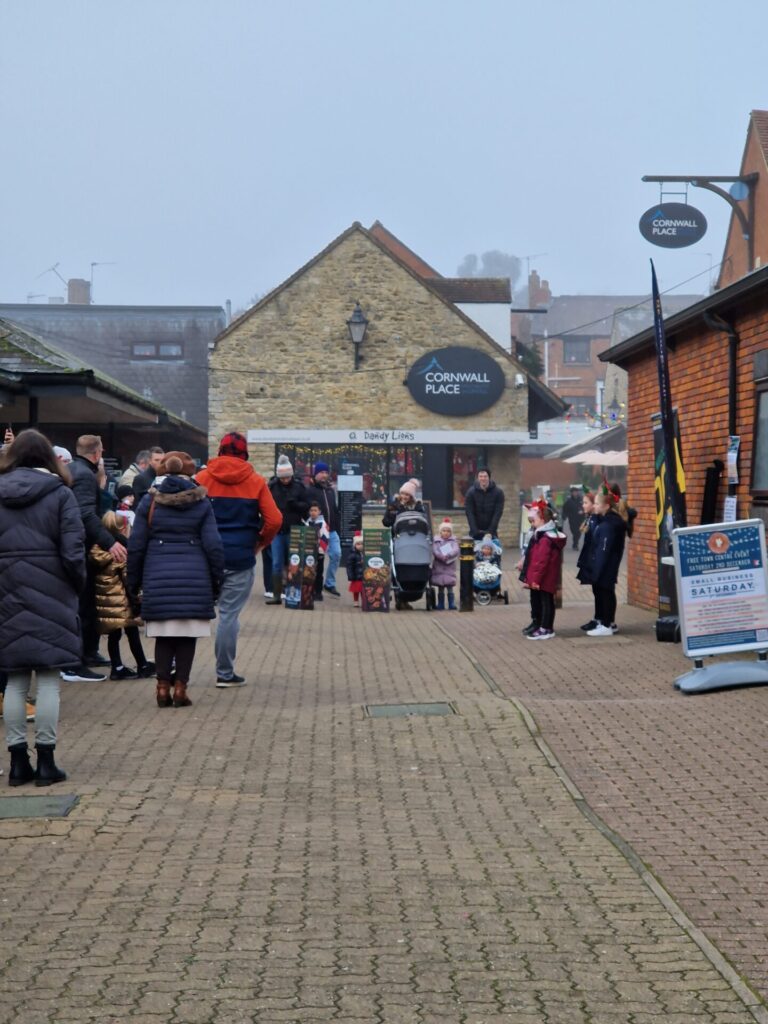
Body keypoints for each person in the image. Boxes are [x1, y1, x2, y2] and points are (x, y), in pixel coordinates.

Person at [0, 429, 86, 786]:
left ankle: (18, 762)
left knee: (16, 680)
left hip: (6, 593)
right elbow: (73, 550)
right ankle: (47, 762)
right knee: (49, 678)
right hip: (52, 591)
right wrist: (76, 585)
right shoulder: (61, 495)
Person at [127, 451, 225, 708]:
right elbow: (214, 545)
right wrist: (217, 579)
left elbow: (136, 546)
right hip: (195, 577)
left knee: (163, 635)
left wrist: (133, 582)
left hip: (157, 576)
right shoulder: (202, 502)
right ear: (190, 473)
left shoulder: (149, 502)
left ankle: (161, 688)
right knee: (186, 636)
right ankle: (180, 689)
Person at [195, 432, 282, 686]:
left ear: (221, 451)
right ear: (245, 454)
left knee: (192, 613)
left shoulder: (201, 478)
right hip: (240, 557)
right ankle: (224, 673)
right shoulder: (256, 482)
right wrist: (260, 542)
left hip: (205, 558)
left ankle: (177, 670)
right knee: (229, 616)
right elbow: (275, 520)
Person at [67, 434, 127, 682]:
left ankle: (89, 652)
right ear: (97, 453)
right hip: (80, 547)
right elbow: (85, 513)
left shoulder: (76, 470)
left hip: (79, 547)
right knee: (83, 605)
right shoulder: (82, 474)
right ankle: (76, 661)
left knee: (89, 602)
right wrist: (110, 542)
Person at [91, 510, 155, 680]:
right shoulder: (121, 553)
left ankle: (117, 666)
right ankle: (142, 665)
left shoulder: (96, 551)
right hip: (123, 601)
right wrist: (137, 600)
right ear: (122, 529)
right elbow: (128, 580)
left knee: (114, 634)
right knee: (132, 632)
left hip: (107, 601)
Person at [518, 501, 566, 641]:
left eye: (534, 520)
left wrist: (535, 579)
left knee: (546, 601)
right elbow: (533, 557)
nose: (532, 524)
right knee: (538, 600)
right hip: (540, 576)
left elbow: (541, 561)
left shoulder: (545, 538)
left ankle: (546, 628)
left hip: (544, 577)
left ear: (543, 519)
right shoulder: (540, 535)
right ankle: (539, 624)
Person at [585, 485, 627, 637]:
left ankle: (606, 624)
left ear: (606, 506)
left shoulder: (609, 525)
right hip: (607, 564)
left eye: (596, 503)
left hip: (607, 565)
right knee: (604, 592)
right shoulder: (605, 521)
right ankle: (606, 622)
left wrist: (597, 570)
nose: (594, 506)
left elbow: (604, 550)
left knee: (606, 592)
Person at [266, 455, 309, 604]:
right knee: (276, 563)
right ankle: (277, 595)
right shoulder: (272, 487)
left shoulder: (299, 487)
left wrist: (296, 505)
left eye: (287, 477)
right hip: (277, 531)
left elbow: (307, 507)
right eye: (283, 478)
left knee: (294, 563)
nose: (285, 480)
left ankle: (294, 594)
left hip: (294, 530)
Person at [306, 462, 342, 597]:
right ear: (316, 474)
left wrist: (337, 527)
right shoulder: (310, 491)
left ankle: (330, 583)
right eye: (321, 472)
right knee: (317, 560)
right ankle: (314, 587)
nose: (324, 475)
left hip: (331, 531)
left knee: (337, 554)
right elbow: (307, 510)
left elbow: (335, 509)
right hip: (318, 531)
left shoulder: (330, 490)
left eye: (326, 472)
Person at [576, 491, 600, 632]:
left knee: (602, 591)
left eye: (586, 503)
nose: (583, 505)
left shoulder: (596, 519)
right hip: (590, 559)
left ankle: (604, 620)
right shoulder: (590, 518)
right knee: (596, 591)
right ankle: (598, 618)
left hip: (595, 559)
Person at [464, 468, 505, 541]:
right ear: (477, 478)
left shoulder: (498, 493)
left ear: (489, 477)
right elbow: (469, 512)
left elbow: (498, 513)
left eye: (485, 476)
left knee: (494, 551)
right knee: (474, 551)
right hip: (475, 531)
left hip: (491, 532)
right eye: (481, 476)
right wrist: (474, 530)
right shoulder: (470, 493)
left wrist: (490, 531)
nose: (483, 478)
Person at [431, 518, 459, 610]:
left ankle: (451, 603)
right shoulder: (436, 541)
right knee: (440, 587)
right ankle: (440, 604)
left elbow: (456, 550)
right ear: (440, 532)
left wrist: (449, 555)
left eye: (448, 531)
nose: (446, 533)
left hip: (449, 566)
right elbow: (435, 550)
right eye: (444, 531)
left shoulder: (453, 541)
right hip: (439, 566)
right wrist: (441, 556)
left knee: (450, 586)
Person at [305, 500, 330, 602]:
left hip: (319, 553)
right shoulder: (307, 522)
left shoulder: (323, 524)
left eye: (315, 510)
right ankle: (310, 591)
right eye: (311, 510)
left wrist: (320, 551)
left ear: (319, 511)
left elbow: (325, 538)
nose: (313, 512)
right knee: (309, 572)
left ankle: (318, 593)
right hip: (309, 553)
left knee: (319, 573)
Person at [561, 486, 585, 551]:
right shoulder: (569, 501)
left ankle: (575, 544)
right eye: (573, 492)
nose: (575, 493)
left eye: (576, 492)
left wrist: (583, 511)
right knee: (574, 532)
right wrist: (564, 516)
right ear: (571, 493)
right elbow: (564, 509)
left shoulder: (581, 500)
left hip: (580, 519)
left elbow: (585, 507)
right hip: (572, 519)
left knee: (579, 532)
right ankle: (575, 543)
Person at [346, 532, 364, 606]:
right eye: (358, 544)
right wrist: (350, 575)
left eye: (361, 544)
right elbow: (349, 566)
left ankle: (364, 602)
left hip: (363, 576)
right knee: (356, 590)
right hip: (356, 576)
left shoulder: (364, 554)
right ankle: (355, 601)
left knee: (363, 590)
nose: (360, 546)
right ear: (354, 545)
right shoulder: (352, 555)